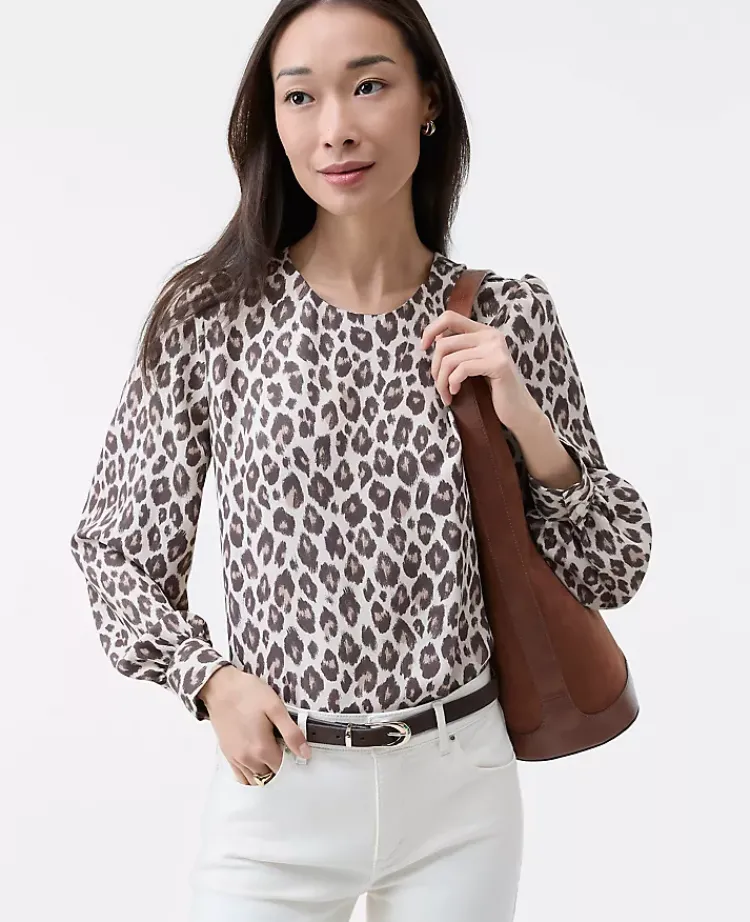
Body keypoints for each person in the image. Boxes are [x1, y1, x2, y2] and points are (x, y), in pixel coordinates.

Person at [69, 1, 653, 919]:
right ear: (273, 119)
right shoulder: (213, 318)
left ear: (429, 100)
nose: (335, 128)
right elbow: (116, 549)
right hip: (282, 794)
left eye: (369, 85)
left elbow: (613, 570)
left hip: (462, 790)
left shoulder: (505, 315)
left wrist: (530, 426)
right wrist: (208, 680)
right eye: (301, 97)